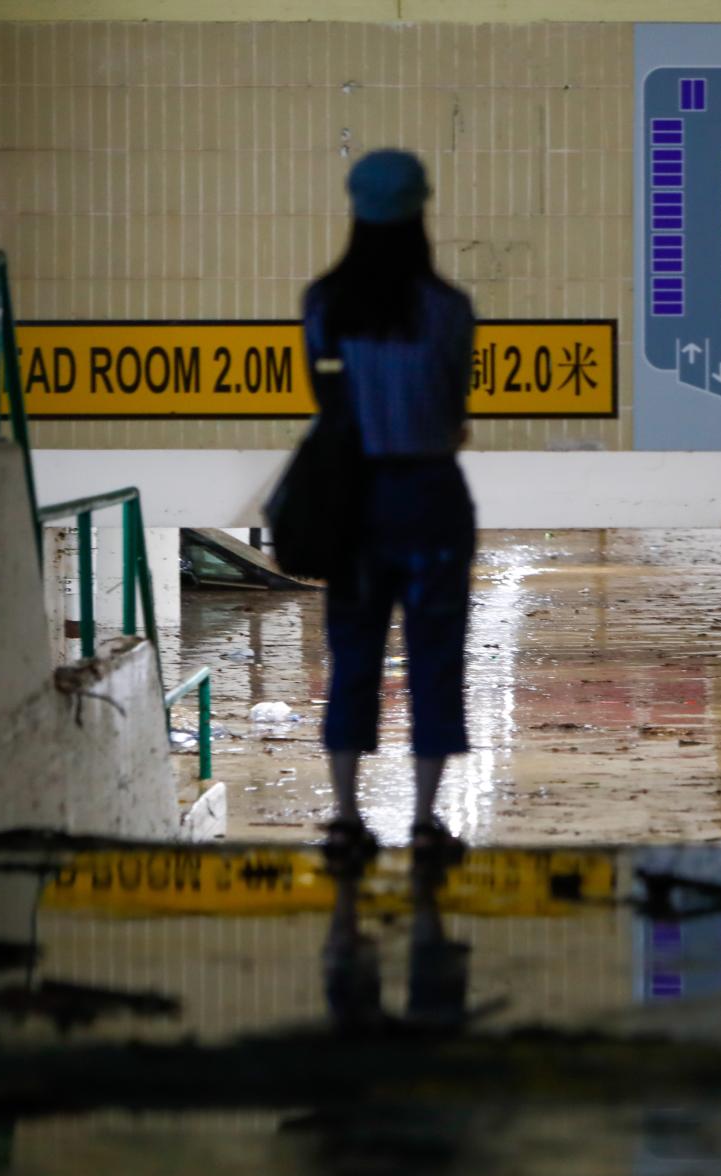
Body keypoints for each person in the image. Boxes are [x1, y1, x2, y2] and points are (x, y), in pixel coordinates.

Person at [303, 149, 476, 861]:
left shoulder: (324, 303)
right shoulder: (449, 309)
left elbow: (325, 402)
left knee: (353, 655)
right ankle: (427, 823)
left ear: (357, 209)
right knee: (435, 658)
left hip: (354, 503)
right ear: (419, 211)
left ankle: (345, 817)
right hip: (432, 496)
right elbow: (454, 405)